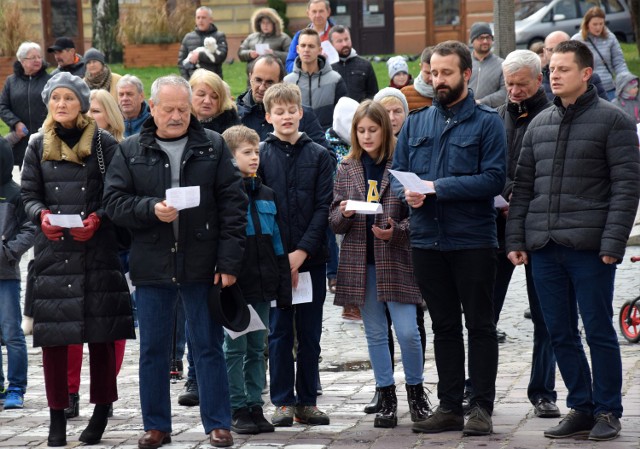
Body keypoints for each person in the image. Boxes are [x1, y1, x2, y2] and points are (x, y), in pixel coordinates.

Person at [506, 40, 640, 442]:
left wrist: (612, 244)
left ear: (585, 74)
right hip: (545, 248)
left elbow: (627, 187)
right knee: (559, 331)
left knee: (598, 329)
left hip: (590, 250)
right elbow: (524, 187)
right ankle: (580, 406)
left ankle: (607, 410)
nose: (555, 76)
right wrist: (517, 238)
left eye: (563, 69)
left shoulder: (613, 121)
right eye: (552, 70)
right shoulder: (540, 124)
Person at [103, 74, 247, 449]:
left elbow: (234, 207)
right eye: (168, 109)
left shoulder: (213, 146)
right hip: (152, 264)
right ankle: (156, 425)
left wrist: (229, 263)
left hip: (203, 264)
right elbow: (114, 203)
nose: (177, 116)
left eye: (183, 109)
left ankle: (218, 423)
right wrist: (151, 209)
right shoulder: (131, 149)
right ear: (153, 108)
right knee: (152, 349)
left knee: (208, 346)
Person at [392, 40, 505, 436]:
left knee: (480, 324)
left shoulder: (488, 121)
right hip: (426, 241)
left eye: (446, 73)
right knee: (442, 327)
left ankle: (481, 407)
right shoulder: (416, 122)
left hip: (472, 239)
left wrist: (438, 187)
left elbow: (493, 179)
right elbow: (398, 174)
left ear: (466, 75)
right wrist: (408, 192)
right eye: (432, 73)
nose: (437, 80)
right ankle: (449, 406)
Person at [20, 72, 135, 446]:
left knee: (101, 340)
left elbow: (117, 192)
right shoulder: (37, 144)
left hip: (96, 252)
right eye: (56, 99)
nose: (62, 104)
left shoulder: (103, 143)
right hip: (54, 252)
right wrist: (42, 217)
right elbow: (29, 194)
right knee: (53, 342)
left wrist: (98, 219)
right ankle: (57, 417)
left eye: (69, 98)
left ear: (82, 103)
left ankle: (101, 411)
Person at [330, 100, 430, 429]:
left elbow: (419, 214)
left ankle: (416, 393)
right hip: (362, 262)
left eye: (373, 130)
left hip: (396, 259)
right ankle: (386, 396)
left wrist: (396, 232)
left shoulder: (401, 163)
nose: (367, 136)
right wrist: (343, 214)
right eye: (361, 131)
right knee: (375, 333)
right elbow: (334, 220)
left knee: (408, 332)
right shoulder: (347, 166)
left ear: (384, 131)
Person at [257, 83, 334, 427]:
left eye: (292, 110)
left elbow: (323, 208)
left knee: (310, 333)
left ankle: (306, 400)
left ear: (301, 112)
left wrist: (302, 252)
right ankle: (282, 401)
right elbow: (258, 207)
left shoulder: (319, 154)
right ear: (268, 116)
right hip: (274, 262)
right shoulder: (261, 154)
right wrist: (280, 257)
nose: (286, 116)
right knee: (279, 332)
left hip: (310, 260)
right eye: (279, 111)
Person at [492, 49, 560, 418]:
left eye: (521, 84)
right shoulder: (496, 115)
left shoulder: (552, 117)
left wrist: (525, 191)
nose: (514, 91)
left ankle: (543, 391)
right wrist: (505, 189)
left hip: (540, 227)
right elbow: (488, 165)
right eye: (509, 84)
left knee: (545, 315)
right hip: (498, 225)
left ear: (538, 80)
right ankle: (478, 387)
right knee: (486, 312)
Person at [175, 68, 242, 408]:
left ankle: (230, 378)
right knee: (193, 314)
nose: (206, 100)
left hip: (219, 232)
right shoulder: (177, 131)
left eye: (212, 95)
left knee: (222, 313)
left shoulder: (227, 134)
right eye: (200, 93)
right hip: (183, 230)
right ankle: (193, 378)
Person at [220, 124, 292, 435]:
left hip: (262, 285)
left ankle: (254, 404)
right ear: (230, 157)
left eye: (256, 152)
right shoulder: (223, 194)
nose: (254, 158)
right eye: (246, 152)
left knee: (257, 347)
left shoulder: (267, 194)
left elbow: (277, 241)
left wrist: (281, 282)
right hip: (235, 286)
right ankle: (236, 406)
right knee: (235, 348)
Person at [63, 88, 128, 420]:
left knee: (107, 326)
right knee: (70, 327)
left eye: (96, 110)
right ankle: (70, 391)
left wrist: (98, 218)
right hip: (67, 247)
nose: (88, 115)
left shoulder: (113, 148)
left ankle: (104, 392)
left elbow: (120, 196)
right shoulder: (56, 142)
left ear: (112, 116)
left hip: (105, 246)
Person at [0, 137, 34, 410]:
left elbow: (30, 229)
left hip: (6, 275)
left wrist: (9, 252)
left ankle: (16, 387)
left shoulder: (14, 193)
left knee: (12, 332)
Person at [236, 54, 330, 149]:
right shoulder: (234, 115)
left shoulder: (303, 116)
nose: (261, 87)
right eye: (258, 80)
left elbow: (327, 157)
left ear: (280, 83)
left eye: (269, 82)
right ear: (250, 77)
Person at [283, 28, 347, 130]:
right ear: (297, 49)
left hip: (327, 140)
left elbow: (343, 116)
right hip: (297, 141)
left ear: (320, 50)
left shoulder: (335, 80)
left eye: (311, 46)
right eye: (303, 46)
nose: (306, 50)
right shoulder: (287, 82)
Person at [0, 41, 51, 167]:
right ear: (22, 61)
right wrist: (15, 123)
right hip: (20, 139)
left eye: (39, 57)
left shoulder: (49, 80)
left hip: (45, 138)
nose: (37, 60)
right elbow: (2, 106)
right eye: (33, 57)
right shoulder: (11, 82)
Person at [572, 6, 629, 100]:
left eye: (601, 24)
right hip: (587, 90)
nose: (598, 27)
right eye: (594, 24)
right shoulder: (577, 40)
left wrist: (626, 80)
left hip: (609, 89)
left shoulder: (610, 38)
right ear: (587, 24)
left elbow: (619, 62)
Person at [542, 31, 608, 102]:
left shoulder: (592, 79)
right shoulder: (537, 82)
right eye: (551, 50)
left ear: (586, 74)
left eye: (564, 48)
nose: (557, 53)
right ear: (544, 51)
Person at [329, 25, 379, 102]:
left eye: (346, 39)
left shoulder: (365, 65)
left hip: (361, 112)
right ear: (331, 44)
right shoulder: (328, 69)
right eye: (339, 41)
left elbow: (374, 95)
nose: (344, 44)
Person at [178, 6, 228, 80]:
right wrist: (186, 79)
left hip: (214, 79)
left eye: (203, 18)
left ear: (210, 20)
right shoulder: (188, 37)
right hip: (193, 80)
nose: (200, 20)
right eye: (198, 17)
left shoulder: (219, 36)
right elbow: (181, 62)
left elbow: (221, 56)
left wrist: (200, 55)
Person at [285, 0, 334, 73]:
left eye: (321, 11)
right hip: (304, 79)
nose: (317, 15)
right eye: (314, 12)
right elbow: (289, 64)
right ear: (308, 13)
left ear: (328, 12)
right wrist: (304, 66)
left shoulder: (337, 34)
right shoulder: (299, 36)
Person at [189, 69, 240, 133]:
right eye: (201, 95)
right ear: (189, 94)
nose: (207, 101)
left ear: (222, 100)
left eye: (214, 97)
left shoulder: (233, 133)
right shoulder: (178, 122)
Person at [468, 22, 506, 107]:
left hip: (491, 114)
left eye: (488, 38)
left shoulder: (501, 64)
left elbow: (505, 92)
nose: (485, 41)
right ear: (472, 41)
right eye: (481, 38)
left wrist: (481, 102)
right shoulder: (464, 63)